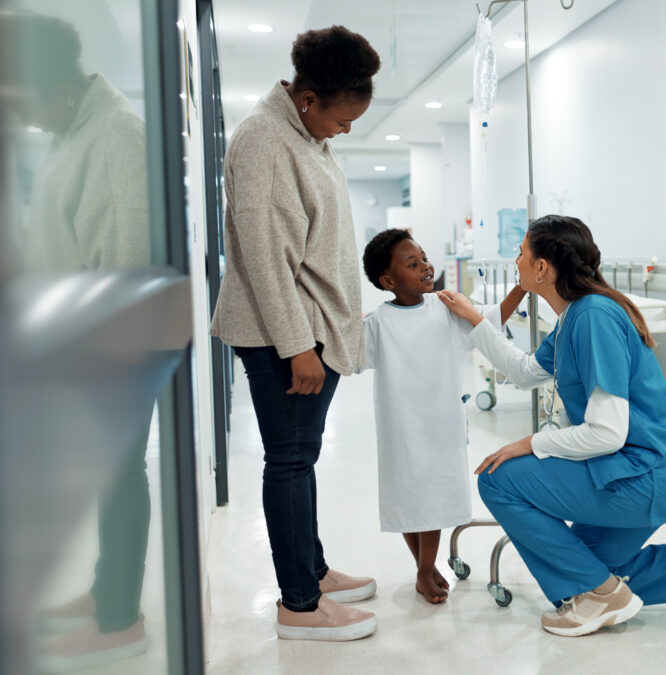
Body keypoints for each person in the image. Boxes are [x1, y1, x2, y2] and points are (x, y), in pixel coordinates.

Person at [437, 214, 666, 637]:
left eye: (521, 253)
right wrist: (475, 319)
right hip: (636, 470)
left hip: (646, 474)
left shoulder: (594, 316)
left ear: (542, 268)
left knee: (499, 479)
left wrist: (531, 443)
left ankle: (601, 596)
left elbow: (607, 432)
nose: (516, 260)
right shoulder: (573, 317)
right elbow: (524, 372)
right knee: (586, 570)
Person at [209, 25, 379, 642]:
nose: (347, 128)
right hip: (287, 334)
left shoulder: (301, 133)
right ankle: (299, 606)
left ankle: (312, 568)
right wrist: (297, 347)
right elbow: (262, 257)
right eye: (344, 117)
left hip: (309, 327)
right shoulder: (263, 141)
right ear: (308, 98)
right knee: (289, 461)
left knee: (300, 458)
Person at [4, 10, 154, 671]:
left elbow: (127, 255)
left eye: (25, 100)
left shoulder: (119, 135)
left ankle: (119, 619)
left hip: (108, 350)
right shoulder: (71, 130)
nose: (24, 116)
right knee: (105, 478)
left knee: (121, 477)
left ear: (57, 84)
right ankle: (103, 593)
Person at [358, 228, 525, 603]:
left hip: (440, 424)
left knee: (430, 497)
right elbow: (349, 356)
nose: (425, 267)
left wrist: (523, 288)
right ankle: (425, 568)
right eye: (412, 264)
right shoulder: (378, 323)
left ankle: (424, 569)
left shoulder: (447, 307)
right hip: (400, 427)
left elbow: (493, 316)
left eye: (424, 258)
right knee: (408, 498)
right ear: (388, 281)